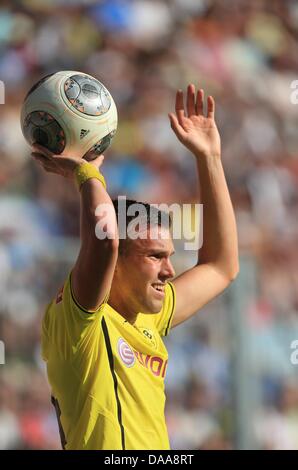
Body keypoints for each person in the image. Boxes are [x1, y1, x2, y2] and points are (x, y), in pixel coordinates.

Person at [32, 84, 239, 450]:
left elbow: (222, 266)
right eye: (154, 256)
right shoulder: (80, 322)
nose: (170, 271)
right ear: (116, 265)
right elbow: (104, 240)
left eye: (169, 256)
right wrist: (86, 174)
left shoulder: (148, 318)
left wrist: (210, 158)